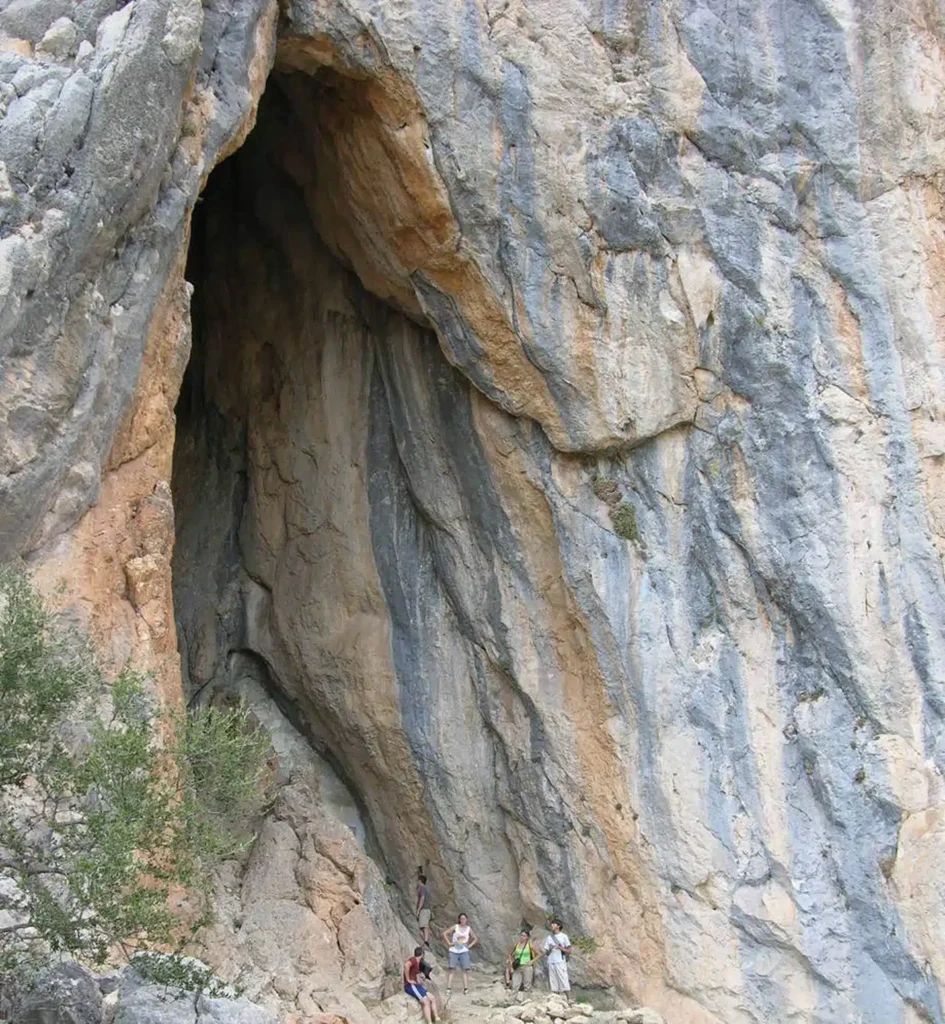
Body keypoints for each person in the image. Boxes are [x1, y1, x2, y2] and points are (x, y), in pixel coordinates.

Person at [442, 912, 478, 996]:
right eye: (461, 919)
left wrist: (469, 946)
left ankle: (465, 988)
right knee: (452, 969)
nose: (463, 920)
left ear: (466, 920)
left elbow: (475, 938)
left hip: (464, 950)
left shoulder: (468, 928)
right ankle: (448, 988)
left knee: (465, 969)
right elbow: (445, 933)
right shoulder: (456, 927)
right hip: (454, 949)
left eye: (464, 919)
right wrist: (449, 943)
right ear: (459, 919)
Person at [404, 946, 439, 1022]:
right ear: (422, 954)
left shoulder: (419, 963)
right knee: (425, 1001)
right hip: (411, 985)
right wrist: (408, 980)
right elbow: (406, 965)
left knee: (432, 998)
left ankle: (436, 1018)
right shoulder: (413, 960)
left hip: (417, 985)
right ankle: (429, 1022)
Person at [542, 919, 572, 1002]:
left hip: (560, 961)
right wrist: (550, 949)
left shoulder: (564, 936)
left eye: (554, 924)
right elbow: (546, 952)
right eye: (551, 924)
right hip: (551, 961)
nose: (552, 926)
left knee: (563, 979)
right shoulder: (549, 937)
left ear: (558, 926)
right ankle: (555, 999)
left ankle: (569, 998)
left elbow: (569, 951)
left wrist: (560, 948)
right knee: (553, 980)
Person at [506, 928, 543, 995]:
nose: (522, 937)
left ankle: (527, 1000)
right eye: (521, 935)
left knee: (527, 984)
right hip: (517, 966)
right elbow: (510, 954)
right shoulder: (517, 944)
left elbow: (540, 954)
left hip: (527, 966)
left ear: (527, 937)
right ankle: (512, 1000)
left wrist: (532, 961)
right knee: (515, 984)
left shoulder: (529, 945)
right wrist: (511, 964)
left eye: (524, 936)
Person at [416, 873, 432, 947]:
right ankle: (425, 940)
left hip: (424, 909)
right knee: (424, 925)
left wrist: (418, 909)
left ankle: (425, 941)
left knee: (424, 926)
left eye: (418, 881)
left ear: (420, 881)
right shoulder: (428, 889)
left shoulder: (422, 888)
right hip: (427, 909)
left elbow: (422, 898)